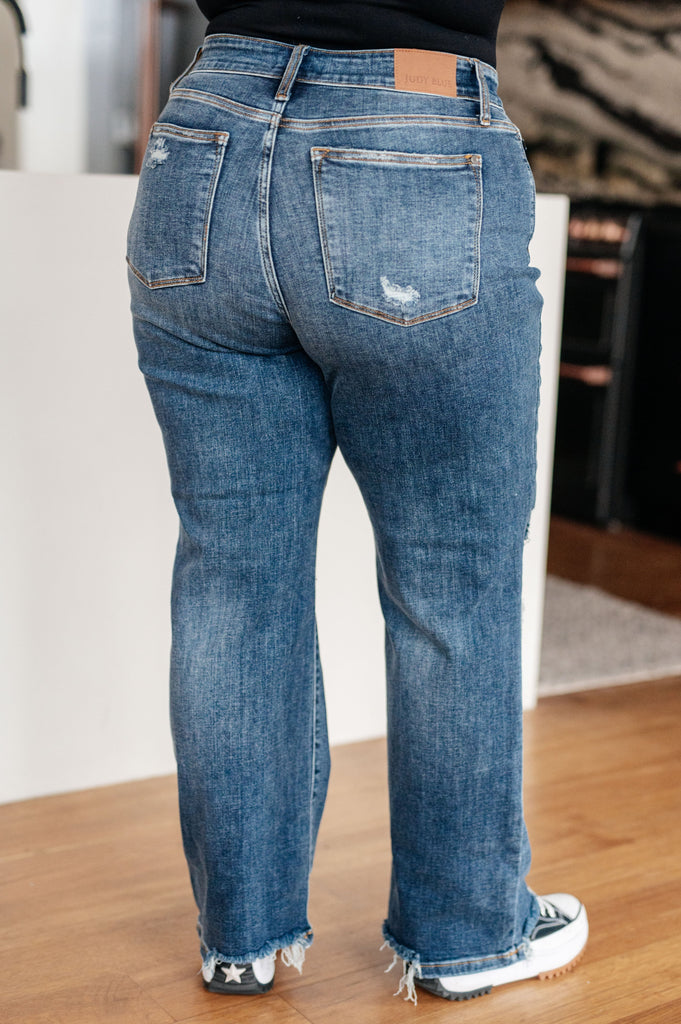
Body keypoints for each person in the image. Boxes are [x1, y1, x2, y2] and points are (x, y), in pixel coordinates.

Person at [126, 0, 588, 1006]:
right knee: (451, 590)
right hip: (413, 127)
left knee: (231, 578)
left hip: (206, 133)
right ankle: (466, 936)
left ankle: (240, 937)